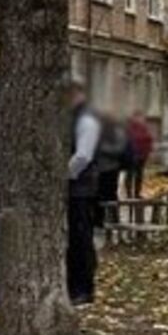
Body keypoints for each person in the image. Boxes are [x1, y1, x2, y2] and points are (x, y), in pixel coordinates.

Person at [64, 81, 101, 306]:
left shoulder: (86, 119)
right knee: (76, 239)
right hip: (78, 187)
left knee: (81, 238)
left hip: (81, 187)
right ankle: (76, 284)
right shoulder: (78, 117)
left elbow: (83, 156)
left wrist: (64, 174)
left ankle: (84, 288)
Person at [124, 110, 155, 199]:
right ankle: (129, 194)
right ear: (134, 118)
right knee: (130, 174)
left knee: (139, 175)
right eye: (138, 117)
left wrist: (149, 152)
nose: (140, 119)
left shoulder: (144, 129)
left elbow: (149, 140)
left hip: (142, 155)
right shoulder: (129, 128)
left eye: (141, 118)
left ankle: (137, 193)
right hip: (131, 155)